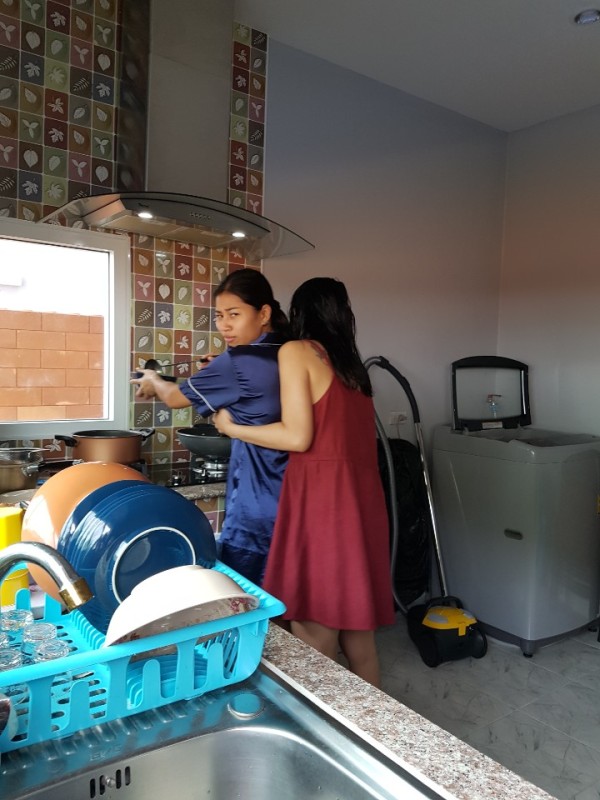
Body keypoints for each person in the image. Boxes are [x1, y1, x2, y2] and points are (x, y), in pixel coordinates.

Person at [213, 277, 394, 687]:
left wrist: (231, 427)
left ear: (295, 313)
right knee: (359, 641)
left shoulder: (297, 351)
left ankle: (319, 724)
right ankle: (370, 724)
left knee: (312, 636)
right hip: (362, 508)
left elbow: (297, 436)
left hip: (322, 506)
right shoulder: (353, 369)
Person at [131, 268, 289, 586]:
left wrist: (152, 380)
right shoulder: (288, 350)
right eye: (219, 315)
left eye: (234, 314)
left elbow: (174, 397)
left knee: (248, 594)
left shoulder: (238, 360)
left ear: (263, 313)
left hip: (254, 504)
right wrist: (217, 368)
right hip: (291, 494)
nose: (224, 325)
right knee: (282, 591)